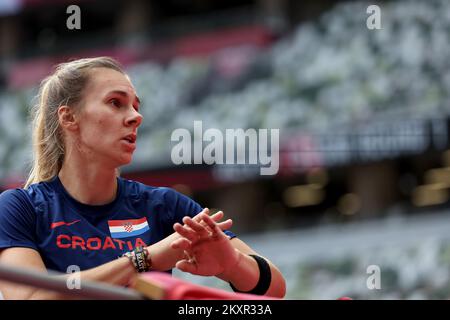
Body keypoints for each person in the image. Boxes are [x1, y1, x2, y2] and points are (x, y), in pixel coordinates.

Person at [0, 57, 286, 299]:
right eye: (116, 103)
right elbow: (30, 297)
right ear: (69, 118)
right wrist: (144, 259)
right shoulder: (19, 207)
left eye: (136, 106)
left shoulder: (164, 205)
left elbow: (275, 289)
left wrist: (233, 264)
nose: (136, 116)